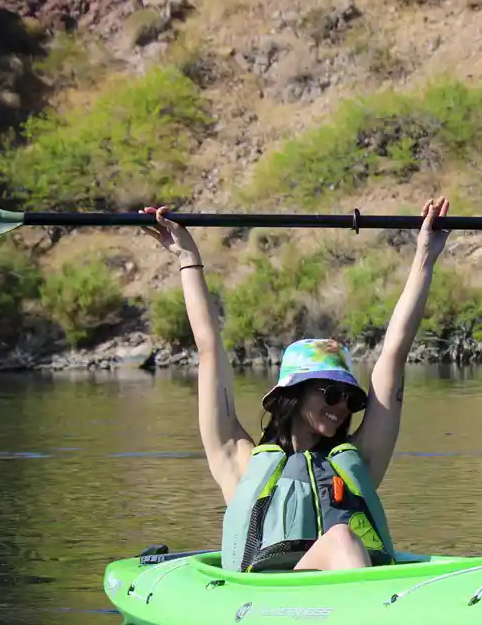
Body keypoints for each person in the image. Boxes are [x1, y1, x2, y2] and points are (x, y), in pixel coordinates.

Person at [139, 197, 451, 573]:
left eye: (351, 400)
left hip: (348, 594)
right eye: (332, 394)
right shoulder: (236, 460)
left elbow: (394, 355)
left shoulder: (361, 460)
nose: (341, 408)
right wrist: (186, 257)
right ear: (295, 394)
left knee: (341, 540)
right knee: (340, 538)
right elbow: (208, 349)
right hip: (271, 601)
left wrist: (425, 258)